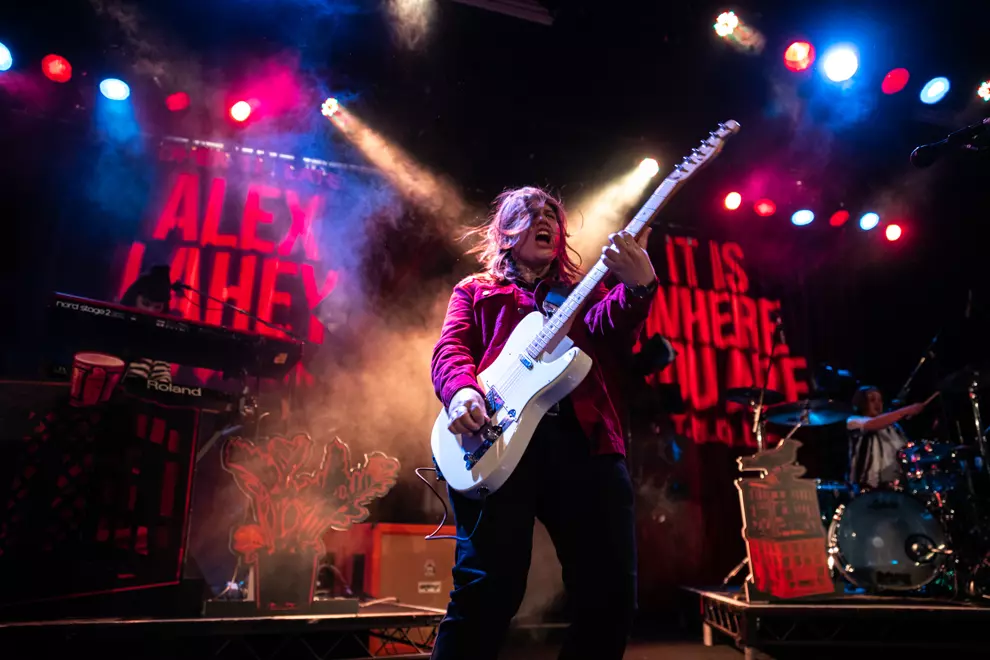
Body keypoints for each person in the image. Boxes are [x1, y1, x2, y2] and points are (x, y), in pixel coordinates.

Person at [430, 187, 658, 660]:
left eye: (552, 213)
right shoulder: (475, 290)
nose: (546, 219)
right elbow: (451, 350)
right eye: (531, 212)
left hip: (585, 443)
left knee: (609, 596)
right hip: (495, 440)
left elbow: (611, 329)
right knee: (487, 591)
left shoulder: (585, 292)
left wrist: (638, 288)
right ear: (506, 232)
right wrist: (462, 394)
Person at [846, 386, 935, 488]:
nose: (877, 404)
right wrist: (905, 411)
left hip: (896, 484)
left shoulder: (894, 427)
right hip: (866, 486)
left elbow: (906, 450)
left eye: (880, 400)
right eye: (872, 400)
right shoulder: (854, 421)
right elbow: (872, 424)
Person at [119, 266, 173, 385]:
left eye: (157, 307)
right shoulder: (114, 325)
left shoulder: (159, 337)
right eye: (145, 304)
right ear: (133, 299)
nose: (151, 311)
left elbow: (162, 378)